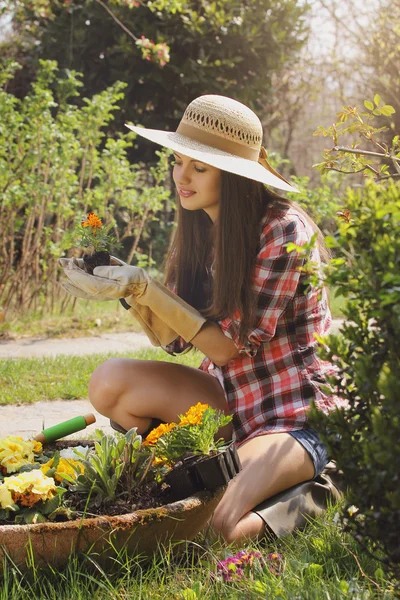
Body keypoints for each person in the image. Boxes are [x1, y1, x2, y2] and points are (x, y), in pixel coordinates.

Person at [59, 95, 343, 543]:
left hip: (292, 416)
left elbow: (227, 346)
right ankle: (210, 461)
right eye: (177, 161)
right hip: (228, 401)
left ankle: (324, 491)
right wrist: (129, 293)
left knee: (220, 529)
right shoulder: (199, 231)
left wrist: (147, 288)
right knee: (108, 382)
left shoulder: (284, 230)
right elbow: (175, 342)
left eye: (199, 167)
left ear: (234, 176)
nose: (182, 177)